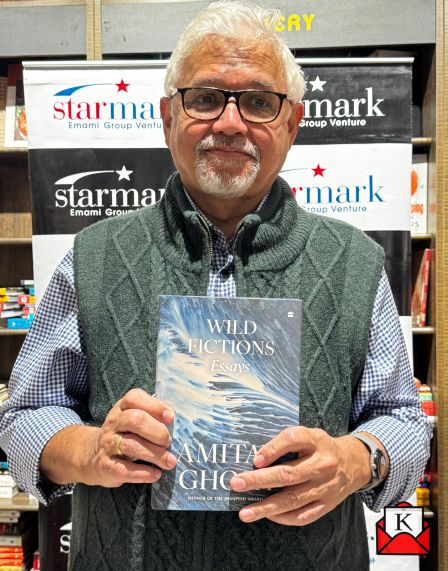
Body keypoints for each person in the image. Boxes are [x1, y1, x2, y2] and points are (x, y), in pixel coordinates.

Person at [0, 1, 431, 569]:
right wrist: (88, 449)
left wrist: (357, 460)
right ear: (168, 116)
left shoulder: (354, 262)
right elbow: (27, 414)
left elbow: (402, 418)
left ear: (292, 123)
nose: (230, 123)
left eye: (258, 102)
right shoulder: (93, 256)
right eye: (205, 98)